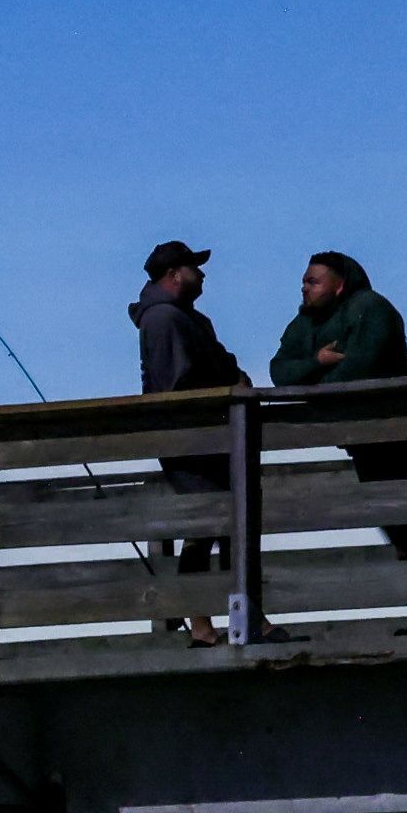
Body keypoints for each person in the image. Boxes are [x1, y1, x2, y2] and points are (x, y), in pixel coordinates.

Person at [275, 251, 407, 612]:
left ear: (338, 286)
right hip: (365, 439)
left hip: (404, 433)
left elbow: (359, 369)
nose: (304, 288)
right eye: (305, 281)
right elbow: (280, 370)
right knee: (398, 528)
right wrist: (317, 363)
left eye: (313, 281)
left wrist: (314, 384)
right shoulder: (304, 323)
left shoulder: (370, 308)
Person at [131, 240, 245, 606]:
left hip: (208, 437)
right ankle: (201, 621)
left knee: (216, 524)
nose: (202, 274)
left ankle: (226, 618)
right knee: (206, 523)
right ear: (175, 274)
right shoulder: (164, 318)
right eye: (194, 268)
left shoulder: (183, 317)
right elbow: (175, 385)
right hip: (190, 441)